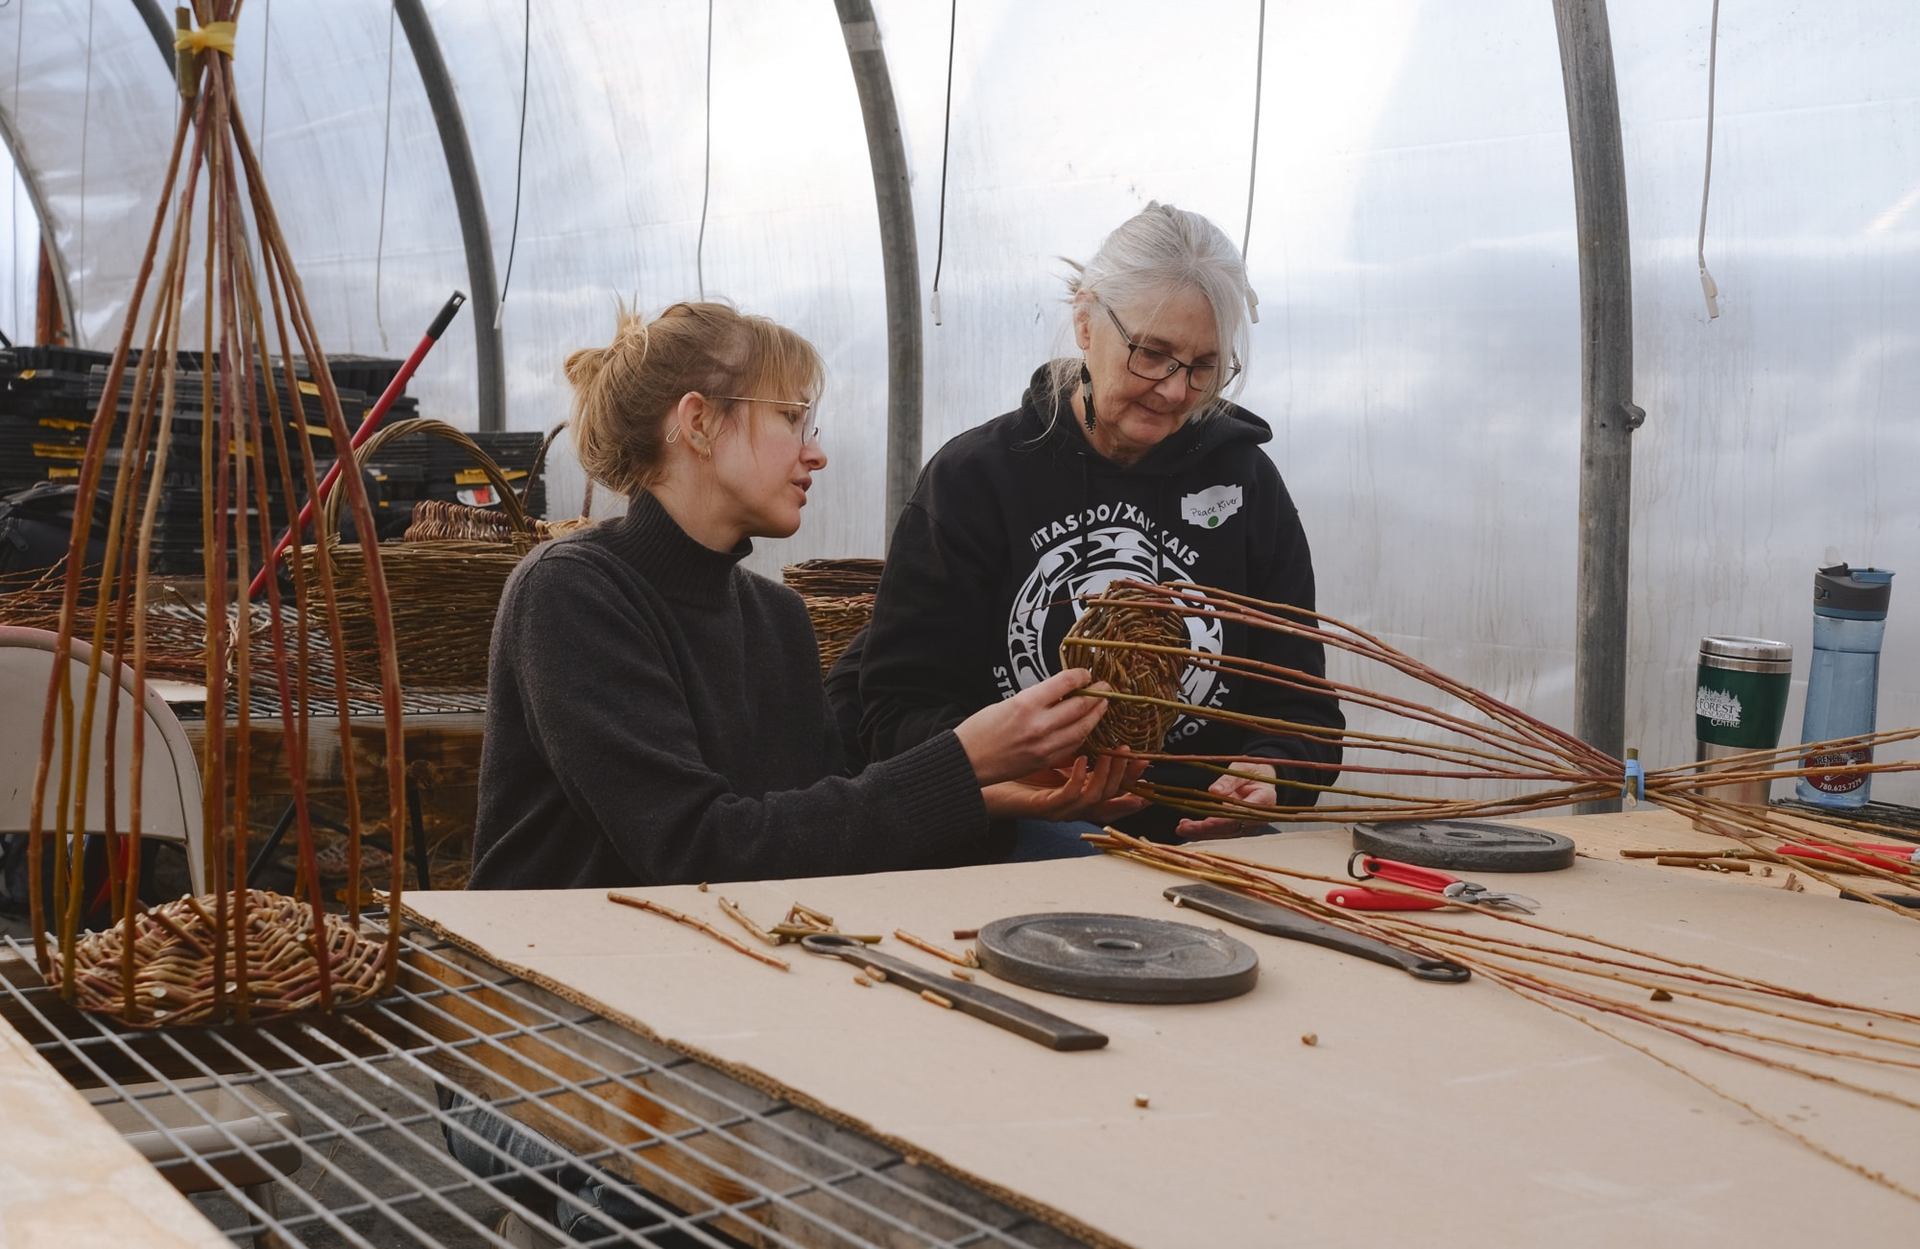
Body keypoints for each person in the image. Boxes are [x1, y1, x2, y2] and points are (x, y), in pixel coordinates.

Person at [455, 301, 1132, 1238]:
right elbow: (697, 847)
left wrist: (990, 798)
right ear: (697, 422)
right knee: (732, 1213)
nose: (814, 452)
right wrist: (960, 757)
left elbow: (815, 844)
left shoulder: (771, 618)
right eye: (792, 419)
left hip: (713, 1026)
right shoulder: (572, 593)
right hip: (540, 1046)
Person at [855, 204, 1345, 859]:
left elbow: (1303, 710)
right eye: (1153, 354)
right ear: (1085, 322)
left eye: (1204, 366)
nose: (1175, 390)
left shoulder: (1247, 484)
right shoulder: (977, 479)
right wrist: (1020, 768)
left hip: (1204, 844)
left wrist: (1274, 772)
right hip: (1016, 836)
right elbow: (891, 713)